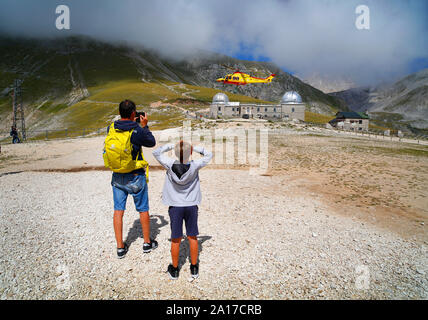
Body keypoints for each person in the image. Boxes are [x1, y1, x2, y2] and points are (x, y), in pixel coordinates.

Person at [103, 99, 157, 259]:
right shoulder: (137, 130)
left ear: (119, 113)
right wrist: (144, 125)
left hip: (117, 175)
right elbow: (151, 142)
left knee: (118, 210)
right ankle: (147, 243)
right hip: (135, 175)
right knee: (143, 209)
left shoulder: (110, 128)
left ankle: (120, 247)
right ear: (134, 113)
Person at [153, 140, 212, 280]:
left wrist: (170, 145)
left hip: (175, 206)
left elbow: (156, 152)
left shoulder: (169, 163)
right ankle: (193, 267)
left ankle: (174, 269)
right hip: (191, 205)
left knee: (176, 238)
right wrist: (195, 148)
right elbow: (209, 154)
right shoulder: (195, 165)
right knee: (192, 236)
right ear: (190, 152)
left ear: (174, 153)